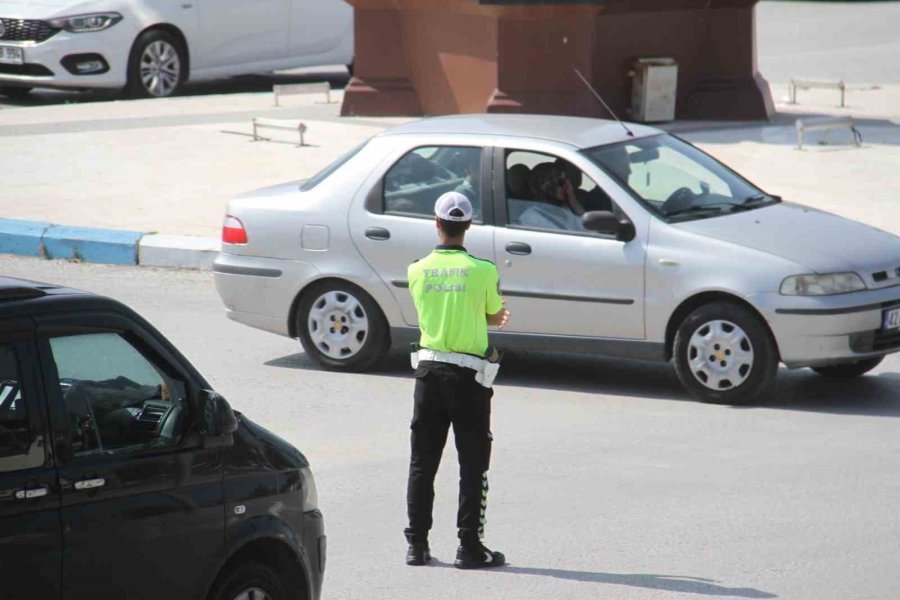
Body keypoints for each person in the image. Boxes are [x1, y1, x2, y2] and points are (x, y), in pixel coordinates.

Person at [405, 191, 511, 570]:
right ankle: (469, 547)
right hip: (469, 378)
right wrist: (494, 321)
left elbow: (438, 314)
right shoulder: (483, 270)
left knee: (422, 462)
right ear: (468, 226)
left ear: (436, 224)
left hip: (429, 374)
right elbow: (492, 314)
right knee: (473, 463)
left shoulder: (416, 269)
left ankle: (416, 545)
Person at [519, 162, 587, 231]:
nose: (566, 186)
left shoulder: (563, 209)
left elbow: (589, 229)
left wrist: (575, 204)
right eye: (561, 182)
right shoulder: (532, 217)